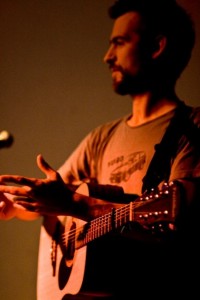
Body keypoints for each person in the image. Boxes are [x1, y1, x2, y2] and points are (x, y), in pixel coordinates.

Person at [0, 0, 200, 299]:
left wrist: (76, 206)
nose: (107, 57)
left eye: (119, 43)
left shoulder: (193, 128)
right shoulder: (102, 138)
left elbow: (183, 222)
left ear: (157, 46)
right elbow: (55, 201)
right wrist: (13, 206)